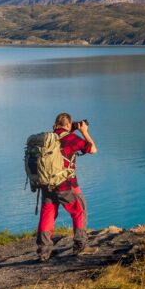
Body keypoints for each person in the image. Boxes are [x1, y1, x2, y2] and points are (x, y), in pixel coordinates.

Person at [36, 112, 98, 261]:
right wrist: (84, 131)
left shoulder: (49, 138)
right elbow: (92, 149)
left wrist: (71, 128)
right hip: (64, 184)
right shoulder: (71, 138)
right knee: (79, 210)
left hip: (46, 184)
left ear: (55, 125)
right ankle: (80, 246)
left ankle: (44, 252)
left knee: (48, 214)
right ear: (69, 125)